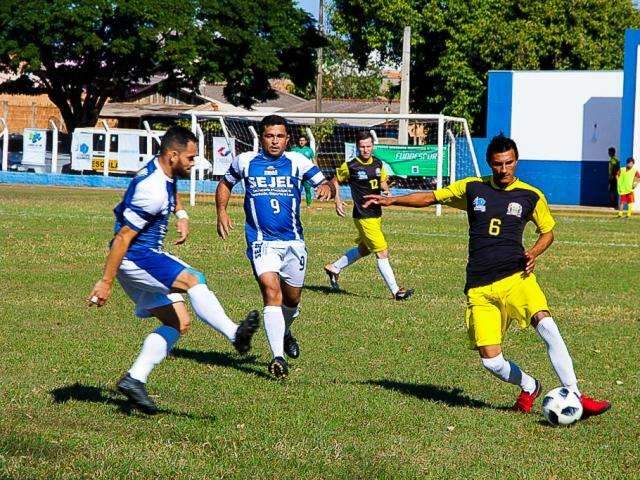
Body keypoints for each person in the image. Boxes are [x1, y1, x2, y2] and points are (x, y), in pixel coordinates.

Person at [362, 134, 611, 418]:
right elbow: (430, 197)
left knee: (547, 325)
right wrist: (391, 201)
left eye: (508, 163)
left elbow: (548, 232)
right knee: (491, 361)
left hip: (516, 278)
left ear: (516, 161)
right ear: (489, 163)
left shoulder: (531, 195)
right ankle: (530, 386)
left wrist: (534, 252)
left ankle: (576, 394)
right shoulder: (473, 188)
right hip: (479, 286)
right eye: (497, 164)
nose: (503, 170)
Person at [88, 126, 259, 414]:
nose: (193, 164)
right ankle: (235, 334)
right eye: (190, 158)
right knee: (195, 279)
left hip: (138, 259)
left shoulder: (163, 173)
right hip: (137, 257)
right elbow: (122, 239)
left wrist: (180, 213)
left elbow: (169, 190)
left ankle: (134, 379)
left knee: (178, 323)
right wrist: (105, 282)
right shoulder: (152, 190)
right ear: (172, 155)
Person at [216, 115, 332, 378]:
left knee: (292, 300)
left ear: (287, 139)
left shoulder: (297, 162)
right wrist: (221, 212)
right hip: (261, 241)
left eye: (280, 136)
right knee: (271, 291)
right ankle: (278, 357)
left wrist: (326, 188)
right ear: (262, 137)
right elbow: (225, 183)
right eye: (270, 136)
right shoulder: (245, 161)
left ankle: (286, 330)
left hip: (293, 242)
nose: (275, 141)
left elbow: (324, 183)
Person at [323, 130, 413, 300]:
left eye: (368, 146)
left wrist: (386, 191)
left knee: (364, 249)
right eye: (362, 147)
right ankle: (396, 292)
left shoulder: (378, 163)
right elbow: (334, 181)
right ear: (358, 147)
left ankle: (334, 267)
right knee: (382, 251)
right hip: (363, 216)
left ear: (373, 146)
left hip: (376, 214)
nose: (365, 150)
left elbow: (383, 181)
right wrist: (337, 200)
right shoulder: (351, 166)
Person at [291, 134, 316, 208]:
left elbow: (314, 160)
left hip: (306, 173)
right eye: (300, 140)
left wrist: (316, 169)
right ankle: (296, 204)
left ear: (306, 141)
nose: (301, 142)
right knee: (297, 189)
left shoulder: (309, 150)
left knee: (307, 188)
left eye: (303, 140)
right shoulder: (294, 149)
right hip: (296, 173)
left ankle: (309, 205)